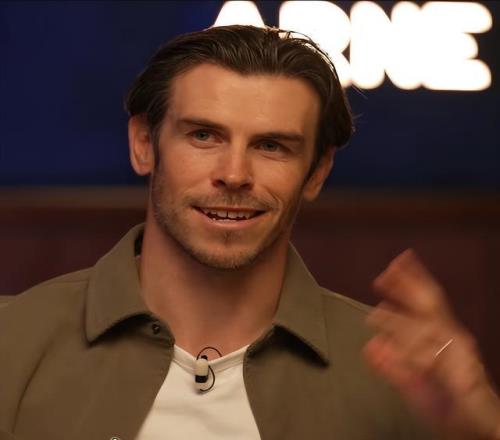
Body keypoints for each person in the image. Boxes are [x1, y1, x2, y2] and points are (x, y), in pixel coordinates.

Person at [1, 25, 499, 440]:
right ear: (143, 144)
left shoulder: (403, 376)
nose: (235, 174)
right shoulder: (12, 340)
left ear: (317, 172)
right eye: (203, 135)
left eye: (271, 146)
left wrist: (482, 428)